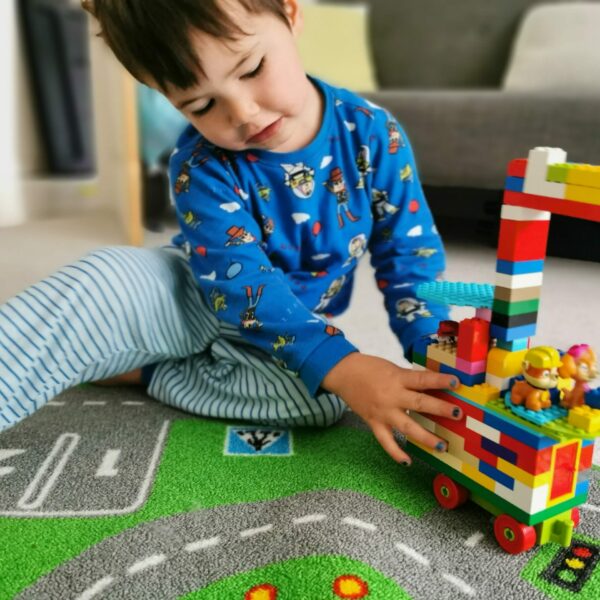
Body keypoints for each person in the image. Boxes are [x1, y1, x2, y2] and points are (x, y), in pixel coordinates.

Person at [0, 0, 463, 464]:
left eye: (253, 68)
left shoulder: (374, 133)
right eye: (201, 105)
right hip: (191, 295)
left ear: (290, 13)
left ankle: (148, 373)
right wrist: (343, 364)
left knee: (324, 403)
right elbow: (243, 284)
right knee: (106, 279)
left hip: (284, 326)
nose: (243, 112)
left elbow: (409, 255)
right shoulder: (200, 166)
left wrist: (435, 348)